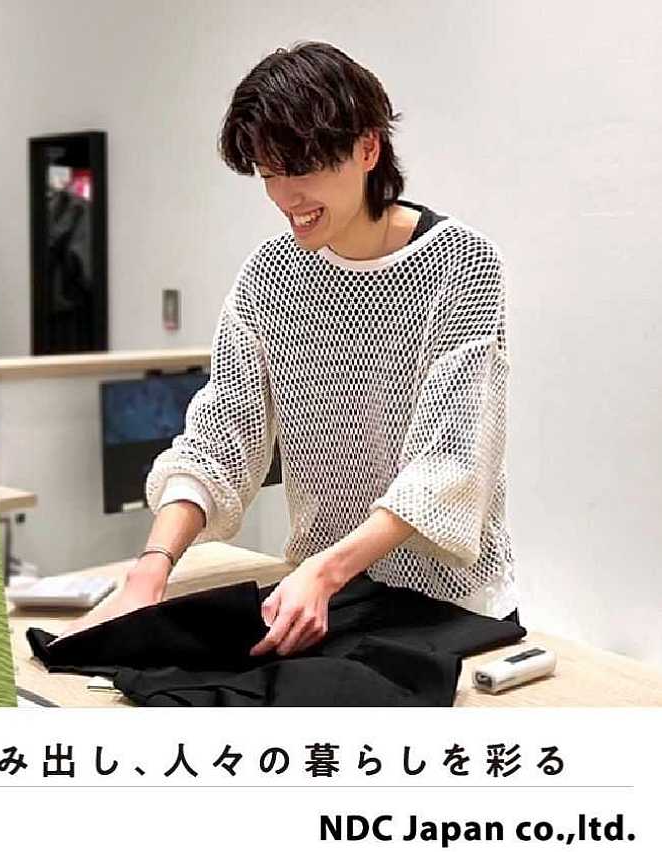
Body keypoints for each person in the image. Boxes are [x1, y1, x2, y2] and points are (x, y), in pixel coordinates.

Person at [65, 42, 518, 653]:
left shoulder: (462, 263)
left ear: (367, 149)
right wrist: (151, 568)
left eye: (300, 170)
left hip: (451, 610)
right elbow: (219, 441)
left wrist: (327, 571)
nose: (284, 197)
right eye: (268, 175)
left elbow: (448, 467)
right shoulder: (268, 278)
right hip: (324, 607)